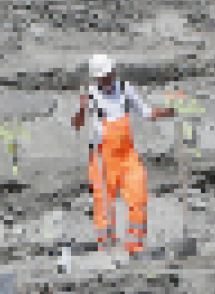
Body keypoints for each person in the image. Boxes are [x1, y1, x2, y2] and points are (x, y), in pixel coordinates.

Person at [72, 53, 175, 256]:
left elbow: (146, 112)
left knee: (138, 196)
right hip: (103, 158)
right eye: (105, 75)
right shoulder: (90, 95)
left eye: (111, 73)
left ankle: (135, 246)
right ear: (97, 78)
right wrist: (83, 109)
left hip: (127, 155)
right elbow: (77, 125)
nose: (110, 77)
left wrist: (168, 112)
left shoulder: (125, 89)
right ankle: (106, 247)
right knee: (104, 204)